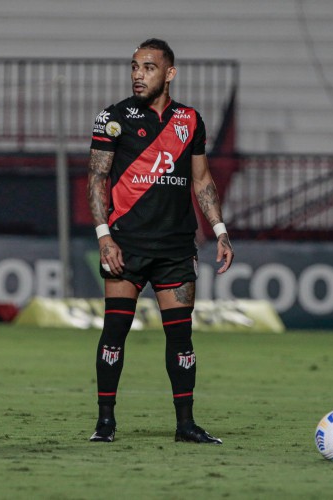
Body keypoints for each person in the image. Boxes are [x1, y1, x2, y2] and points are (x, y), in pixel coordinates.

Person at [86, 38, 234, 444]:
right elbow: (97, 179)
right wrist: (104, 238)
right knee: (114, 331)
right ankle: (105, 422)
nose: (138, 74)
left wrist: (219, 230)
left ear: (169, 73)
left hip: (175, 248)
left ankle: (185, 425)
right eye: (134, 66)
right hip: (126, 245)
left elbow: (202, 180)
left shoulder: (190, 120)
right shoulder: (113, 118)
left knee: (181, 336)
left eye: (148, 67)